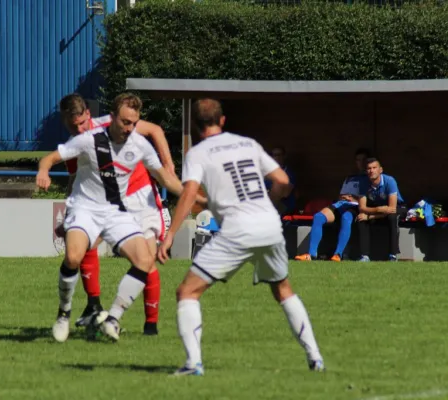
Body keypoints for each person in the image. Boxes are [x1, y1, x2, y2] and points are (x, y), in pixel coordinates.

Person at [158, 99, 325, 376]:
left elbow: (188, 194)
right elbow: (283, 182)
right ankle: (315, 358)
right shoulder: (248, 144)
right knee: (283, 290)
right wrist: (267, 202)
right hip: (270, 225)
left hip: (237, 230)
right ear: (222, 120)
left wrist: (170, 235)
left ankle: (193, 364)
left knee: (187, 292)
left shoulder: (198, 154)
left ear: (196, 126)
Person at [36, 93, 202, 343]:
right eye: (125, 122)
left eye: (133, 123)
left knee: (146, 260)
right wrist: (45, 172)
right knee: (74, 255)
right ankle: (65, 313)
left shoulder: (138, 144)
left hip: (121, 206)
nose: (130, 128)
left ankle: (116, 319)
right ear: (112, 118)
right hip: (87, 208)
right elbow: (56, 163)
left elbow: (165, 173)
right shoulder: (86, 140)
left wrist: (197, 196)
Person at [57, 93, 176, 335]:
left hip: (140, 196)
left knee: (147, 259)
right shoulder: (77, 144)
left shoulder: (112, 123)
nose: (79, 129)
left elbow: (154, 130)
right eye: (73, 126)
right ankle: (94, 306)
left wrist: (168, 166)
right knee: (83, 245)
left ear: (89, 115)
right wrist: (71, 214)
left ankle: (150, 325)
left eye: (82, 123)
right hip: (107, 203)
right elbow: (75, 180)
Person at [295, 147, 370, 261]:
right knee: (318, 217)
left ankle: (338, 254)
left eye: (363, 159)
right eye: (358, 160)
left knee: (346, 218)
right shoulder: (350, 178)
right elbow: (341, 195)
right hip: (342, 204)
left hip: (355, 207)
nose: (361, 163)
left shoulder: (371, 178)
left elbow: (372, 200)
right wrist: (343, 197)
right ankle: (311, 254)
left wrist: (354, 199)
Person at [356, 158, 406, 262]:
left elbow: (391, 209)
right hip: (378, 208)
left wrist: (370, 216)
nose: (371, 171)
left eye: (374, 168)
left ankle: (393, 255)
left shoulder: (389, 181)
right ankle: (364, 256)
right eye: (369, 168)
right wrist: (378, 209)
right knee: (361, 218)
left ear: (380, 170)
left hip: (397, 207)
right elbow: (362, 207)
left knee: (392, 217)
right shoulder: (363, 183)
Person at [265, 146, 296, 215]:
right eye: (274, 155)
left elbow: (284, 194)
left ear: (284, 156)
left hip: (284, 205)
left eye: (279, 155)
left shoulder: (289, 173)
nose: (277, 157)